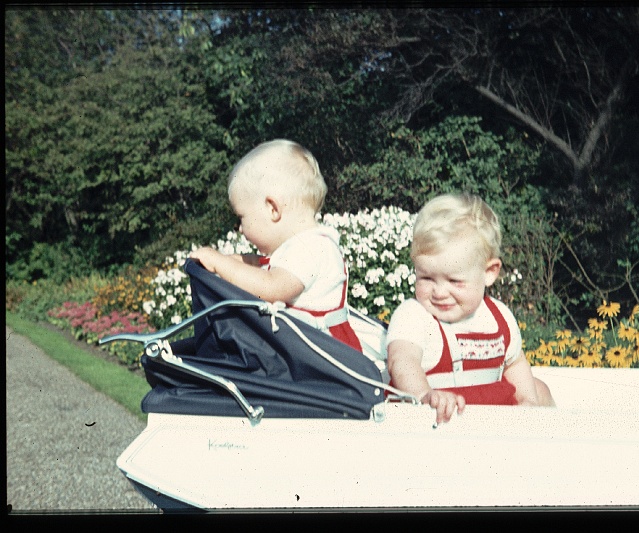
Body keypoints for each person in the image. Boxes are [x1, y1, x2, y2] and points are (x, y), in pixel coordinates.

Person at [386, 193, 555, 424]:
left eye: (454, 281)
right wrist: (424, 395)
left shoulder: (499, 317)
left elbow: (515, 363)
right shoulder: (414, 316)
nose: (439, 292)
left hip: (493, 422)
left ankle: (551, 438)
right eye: (426, 278)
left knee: (539, 390)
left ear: (489, 273)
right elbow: (402, 361)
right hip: (436, 423)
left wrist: (528, 400)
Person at [189, 139, 362, 352]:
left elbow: (270, 287)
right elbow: (262, 264)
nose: (240, 229)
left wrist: (219, 263)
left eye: (241, 217)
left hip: (326, 358)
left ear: (273, 209)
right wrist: (231, 260)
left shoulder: (311, 248)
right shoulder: (297, 246)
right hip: (304, 353)